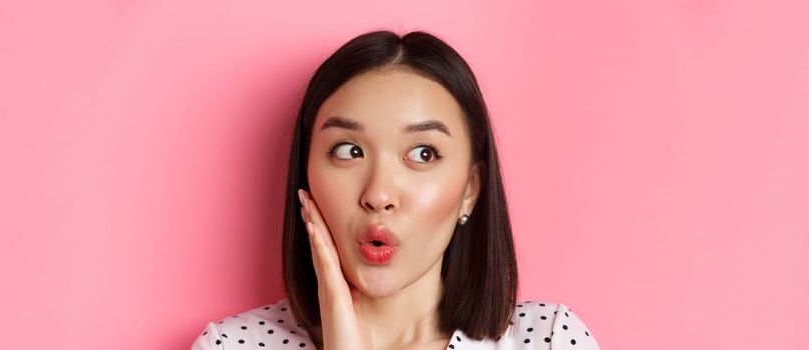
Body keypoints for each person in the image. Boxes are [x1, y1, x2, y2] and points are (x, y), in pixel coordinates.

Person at [191, 29, 600, 350]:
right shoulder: (231, 346)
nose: (379, 194)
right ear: (306, 177)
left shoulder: (550, 340)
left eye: (422, 154)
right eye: (348, 151)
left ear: (470, 189)